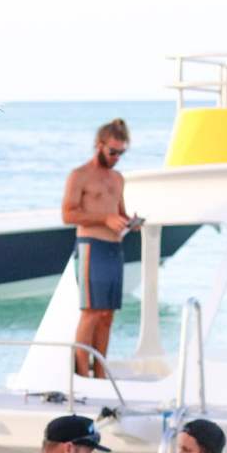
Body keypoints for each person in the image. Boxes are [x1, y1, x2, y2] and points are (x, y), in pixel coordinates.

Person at [62, 119, 138, 378]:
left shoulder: (117, 178)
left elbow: (119, 212)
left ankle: (101, 373)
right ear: (99, 145)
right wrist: (105, 219)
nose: (116, 157)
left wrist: (130, 222)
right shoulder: (79, 175)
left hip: (114, 248)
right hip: (91, 247)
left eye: (121, 153)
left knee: (107, 315)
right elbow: (68, 214)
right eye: (113, 152)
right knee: (91, 313)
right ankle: (82, 376)